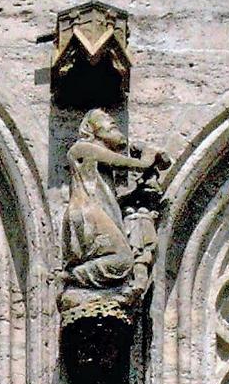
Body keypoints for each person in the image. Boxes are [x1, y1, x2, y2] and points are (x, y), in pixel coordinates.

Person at [61, 110, 165, 305]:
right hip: (87, 213)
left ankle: (78, 277)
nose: (111, 122)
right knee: (123, 260)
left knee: (121, 256)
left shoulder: (99, 164)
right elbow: (132, 164)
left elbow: (114, 199)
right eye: (104, 119)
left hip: (93, 211)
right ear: (89, 129)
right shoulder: (82, 148)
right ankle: (72, 276)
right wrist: (150, 155)